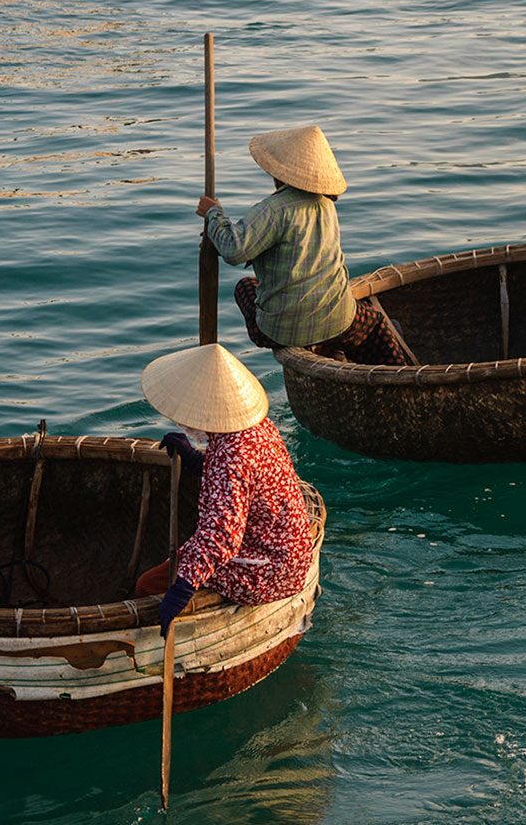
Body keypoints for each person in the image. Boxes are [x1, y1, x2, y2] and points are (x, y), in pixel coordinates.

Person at [131, 344, 316, 636]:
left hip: (268, 569)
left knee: (148, 585)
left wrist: (181, 588)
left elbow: (221, 538)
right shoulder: (255, 426)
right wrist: (195, 460)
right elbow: (245, 482)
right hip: (290, 552)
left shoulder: (232, 455)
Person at [197, 125, 411, 366]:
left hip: (279, 332)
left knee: (245, 286)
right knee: (377, 325)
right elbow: (243, 248)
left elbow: (233, 250)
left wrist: (213, 214)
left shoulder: (271, 210)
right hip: (337, 322)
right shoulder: (327, 205)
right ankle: (400, 374)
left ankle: (329, 349)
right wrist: (215, 226)